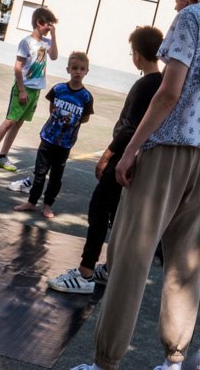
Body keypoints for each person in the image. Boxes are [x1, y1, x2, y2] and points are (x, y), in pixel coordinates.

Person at [72, 0, 200, 370]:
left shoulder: (191, 18)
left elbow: (168, 92)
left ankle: (105, 362)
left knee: (130, 257)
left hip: (166, 154)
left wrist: (131, 150)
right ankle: (174, 361)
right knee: (184, 267)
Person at [48, 26, 163, 295]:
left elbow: (129, 128)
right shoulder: (160, 83)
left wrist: (107, 156)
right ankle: (110, 267)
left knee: (99, 209)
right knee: (117, 214)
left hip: (124, 156)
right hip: (138, 158)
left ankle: (85, 272)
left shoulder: (146, 85)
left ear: (137, 55)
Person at [0, 7, 58, 171]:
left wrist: (54, 36)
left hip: (35, 90)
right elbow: (17, 68)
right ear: (39, 22)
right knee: (9, 121)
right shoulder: (26, 42)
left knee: (18, 123)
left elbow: (54, 56)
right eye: (48, 24)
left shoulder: (46, 42)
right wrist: (21, 90)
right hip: (24, 88)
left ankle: (2, 156)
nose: (50, 28)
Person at [14, 51, 93, 218]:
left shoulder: (86, 97)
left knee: (56, 177)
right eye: (74, 68)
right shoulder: (58, 89)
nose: (78, 72)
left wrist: (70, 122)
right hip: (48, 138)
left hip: (65, 143)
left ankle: (48, 205)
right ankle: (32, 202)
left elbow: (85, 118)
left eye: (82, 69)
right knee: (40, 173)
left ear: (87, 71)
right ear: (68, 69)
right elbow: (52, 110)